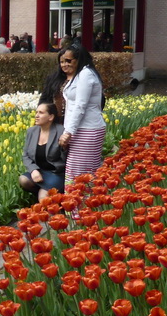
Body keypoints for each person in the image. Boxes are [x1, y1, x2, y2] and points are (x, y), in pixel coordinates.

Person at [57, 43, 106, 184]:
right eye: (62, 61)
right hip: (81, 129)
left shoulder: (86, 74)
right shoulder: (80, 74)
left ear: (79, 59)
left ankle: (78, 205)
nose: (65, 64)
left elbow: (80, 106)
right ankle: (81, 205)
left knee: (78, 176)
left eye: (69, 60)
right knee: (79, 174)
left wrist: (68, 133)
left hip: (88, 129)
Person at [19, 102, 66, 201]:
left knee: (43, 198)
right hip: (39, 171)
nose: (36, 116)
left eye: (41, 113)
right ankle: (47, 191)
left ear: (50, 117)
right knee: (23, 180)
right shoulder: (32, 131)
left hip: (56, 173)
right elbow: (25, 155)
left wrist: (64, 146)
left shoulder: (61, 131)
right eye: (36, 112)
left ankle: (52, 205)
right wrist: (33, 170)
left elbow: (66, 157)